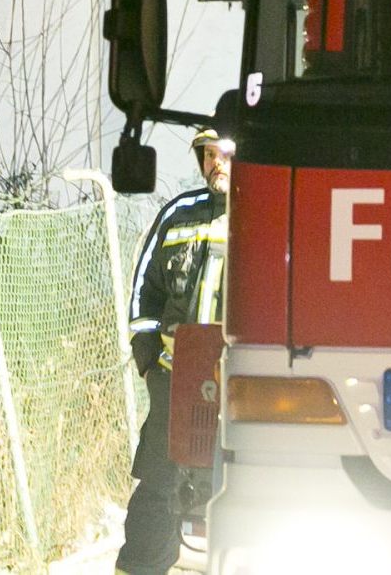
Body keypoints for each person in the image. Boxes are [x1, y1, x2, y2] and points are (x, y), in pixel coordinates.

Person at [116, 127, 232, 575]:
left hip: (244, 384)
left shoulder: (269, 211)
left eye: (222, 153)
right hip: (174, 380)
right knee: (157, 489)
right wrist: (149, 363)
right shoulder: (177, 215)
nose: (213, 163)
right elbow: (145, 292)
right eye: (206, 155)